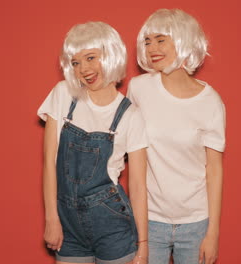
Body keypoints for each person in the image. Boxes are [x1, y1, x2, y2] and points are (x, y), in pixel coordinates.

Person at [38, 21, 148, 264]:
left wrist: (142, 246)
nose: (83, 69)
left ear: (110, 56)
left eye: (91, 58)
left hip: (112, 226)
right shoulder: (63, 94)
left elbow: (138, 186)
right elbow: (49, 162)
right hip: (67, 226)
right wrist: (51, 219)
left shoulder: (131, 115)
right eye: (76, 62)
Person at [127, 9, 226, 264]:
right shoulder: (139, 89)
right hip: (149, 221)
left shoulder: (211, 102)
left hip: (195, 223)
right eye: (147, 41)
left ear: (183, 40)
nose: (151, 48)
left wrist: (212, 233)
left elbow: (214, 170)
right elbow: (124, 145)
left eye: (161, 39)